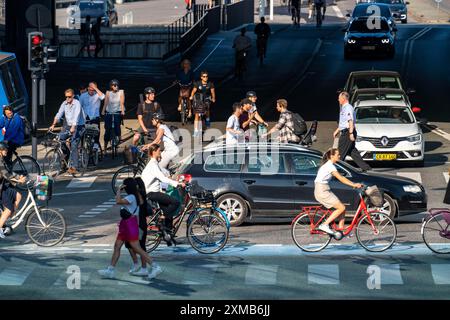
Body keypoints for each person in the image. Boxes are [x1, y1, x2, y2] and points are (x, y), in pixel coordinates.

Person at [98, 178, 162, 280]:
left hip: (130, 224)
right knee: (117, 246)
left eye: (124, 185)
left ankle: (155, 266)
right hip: (125, 224)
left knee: (136, 247)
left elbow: (118, 201)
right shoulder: (134, 196)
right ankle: (110, 270)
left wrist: (119, 190)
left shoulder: (132, 197)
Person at [141, 144, 184, 245]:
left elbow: (162, 178)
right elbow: (162, 178)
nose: (160, 152)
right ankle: (161, 219)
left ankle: (168, 236)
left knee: (169, 212)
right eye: (159, 151)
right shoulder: (152, 165)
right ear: (154, 152)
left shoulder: (155, 163)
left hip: (155, 192)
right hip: (151, 193)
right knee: (176, 203)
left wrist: (165, 189)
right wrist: (177, 184)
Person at [314, 148, 363, 235]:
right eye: (338, 155)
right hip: (322, 191)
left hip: (324, 189)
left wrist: (353, 184)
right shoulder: (330, 166)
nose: (339, 156)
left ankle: (341, 230)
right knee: (341, 208)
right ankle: (324, 225)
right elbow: (341, 178)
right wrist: (353, 184)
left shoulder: (329, 165)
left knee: (342, 207)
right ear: (332, 156)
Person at [49, 89, 86, 175]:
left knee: (73, 144)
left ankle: (75, 167)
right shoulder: (64, 103)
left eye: (69, 97)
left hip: (79, 125)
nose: (67, 99)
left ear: (73, 96)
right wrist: (53, 125)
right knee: (60, 140)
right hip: (68, 125)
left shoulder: (77, 103)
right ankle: (65, 161)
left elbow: (76, 116)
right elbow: (59, 114)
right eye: (66, 97)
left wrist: (73, 127)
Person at [333, 92, 371, 172]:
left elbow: (350, 121)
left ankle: (338, 171)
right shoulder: (344, 107)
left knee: (340, 153)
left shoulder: (348, 108)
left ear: (343, 99)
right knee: (353, 152)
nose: (338, 100)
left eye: (339, 98)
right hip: (347, 131)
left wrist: (350, 133)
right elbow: (344, 122)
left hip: (347, 133)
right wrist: (337, 131)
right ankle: (366, 168)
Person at [79, 81, 104, 150]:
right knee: (82, 133)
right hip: (85, 118)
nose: (91, 91)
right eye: (89, 89)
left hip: (95, 117)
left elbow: (103, 97)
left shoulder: (97, 95)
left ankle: (96, 145)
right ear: (87, 88)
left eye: (93, 90)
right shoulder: (83, 96)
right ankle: (82, 147)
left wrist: (96, 88)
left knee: (96, 131)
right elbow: (78, 107)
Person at [190, 71, 216, 136]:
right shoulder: (197, 83)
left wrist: (213, 98)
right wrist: (191, 96)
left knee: (207, 109)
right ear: (201, 77)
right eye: (204, 76)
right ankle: (196, 131)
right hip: (198, 99)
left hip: (206, 99)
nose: (205, 78)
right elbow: (193, 91)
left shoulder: (210, 84)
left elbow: (212, 92)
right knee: (196, 115)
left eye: (206, 76)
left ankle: (207, 119)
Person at [102, 79, 125, 152]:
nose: (116, 87)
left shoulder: (121, 92)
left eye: (117, 85)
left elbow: (121, 102)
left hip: (117, 111)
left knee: (117, 125)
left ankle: (119, 137)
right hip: (109, 111)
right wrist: (103, 111)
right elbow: (105, 102)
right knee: (107, 129)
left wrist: (122, 110)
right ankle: (105, 148)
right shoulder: (108, 92)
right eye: (115, 85)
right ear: (111, 86)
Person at [0, 170, 24, 239]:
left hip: (2, 186)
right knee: (8, 209)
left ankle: (7, 219)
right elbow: (4, 173)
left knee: (18, 196)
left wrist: (18, 177)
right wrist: (18, 179)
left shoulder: (1, 161)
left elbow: (6, 172)